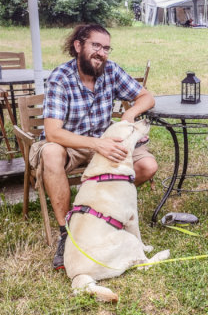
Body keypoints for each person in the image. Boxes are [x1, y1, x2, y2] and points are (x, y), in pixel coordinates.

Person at [30, 24, 157, 270]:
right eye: (95, 46)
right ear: (78, 46)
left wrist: (129, 115)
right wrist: (97, 144)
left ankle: (103, 209)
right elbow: (54, 132)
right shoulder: (61, 77)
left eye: (106, 48)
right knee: (51, 152)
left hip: (105, 141)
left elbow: (147, 97)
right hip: (70, 143)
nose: (101, 53)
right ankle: (66, 231)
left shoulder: (110, 70)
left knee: (148, 166)